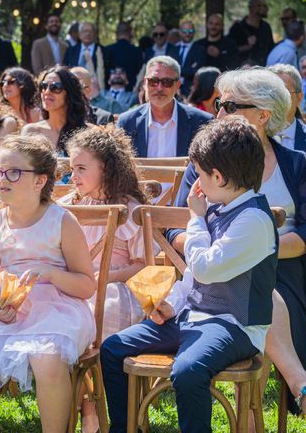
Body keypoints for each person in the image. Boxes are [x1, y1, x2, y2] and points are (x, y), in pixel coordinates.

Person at [103, 117, 277, 433]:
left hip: (234, 325)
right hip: (192, 316)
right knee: (113, 348)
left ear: (219, 177)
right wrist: (173, 302)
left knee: (188, 371)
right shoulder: (219, 205)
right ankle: (125, 428)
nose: (195, 182)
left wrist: (195, 218)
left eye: (198, 174)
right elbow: (192, 279)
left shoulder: (253, 220)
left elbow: (205, 267)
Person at [168, 68, 306, 419]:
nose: (218, 114)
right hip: (211, 271)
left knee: (263, 286)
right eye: (218, 104)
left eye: (229, 105)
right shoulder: (202, 161)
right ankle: (295, 382)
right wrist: (209, 250)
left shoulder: (297, 164)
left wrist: (260, 245)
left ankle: (251, 416)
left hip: (284, 267)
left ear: (263, 115)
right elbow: (174, 227)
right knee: (254, 290)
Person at [0, 134, 95, 432]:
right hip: (9, 308)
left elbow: (86, 285)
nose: (2, 179)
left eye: (13, 172)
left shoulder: (61, 221)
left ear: (39, 180)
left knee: (46, 359)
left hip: (60, 308)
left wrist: (51, 273)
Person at [58, 126, 152, 432]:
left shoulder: (130, 209)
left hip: (118, 288)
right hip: (78, 285)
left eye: (82, 169)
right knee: (64, 311)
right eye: (72, 168)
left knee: (101, 311)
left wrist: (107, 276)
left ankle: (96, 405)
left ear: (107, 168)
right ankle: (88, 406)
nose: (74, 177)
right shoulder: (70, 206)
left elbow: (142, 265)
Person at [116, 56, 212, 157]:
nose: (159, 88)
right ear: (145, 83)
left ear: (177, 86)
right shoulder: (126, 123)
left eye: (167, 82)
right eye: (153, 81)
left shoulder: (201, 123)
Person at [21, 66, 89, 156]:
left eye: (55, 87)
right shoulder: (31, 131)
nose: (47, 92)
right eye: (44, 86)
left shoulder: (86, 132)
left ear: (69, 93)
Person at [269, 64, 306, 151]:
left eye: (284, 93)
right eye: (272, 93)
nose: (277, 98)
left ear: (299, 98)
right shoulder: (253, 139)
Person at [228, 0, 274, 66]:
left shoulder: (266, 27)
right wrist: (247, 46)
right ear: (252, 8)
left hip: (263, 71)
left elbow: (271, 48)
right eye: (263, 6)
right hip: (242, 72)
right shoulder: (237, 28)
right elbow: (230, 50)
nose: (266, 9)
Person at [63, 22, 106, 87]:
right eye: (85, 31)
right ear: (79, 34)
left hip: (96, 88)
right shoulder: (70, 51)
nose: (87, 33)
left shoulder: (103, 51)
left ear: (95, 34)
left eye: (90, 31)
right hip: (74, 88)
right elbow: (65, 69)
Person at [104, 21, 143, 91]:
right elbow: (140, 72)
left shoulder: (107, 50)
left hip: (110, 91)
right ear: (130, 34)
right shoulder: (137, 51)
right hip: (130, 91)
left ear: (116, 34)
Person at [176, 20, 206, 97]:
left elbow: (196, 71)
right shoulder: (173, 49)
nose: (188, 33)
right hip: (173, 89)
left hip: (190, 90)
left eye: (191, 31)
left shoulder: (200, 50)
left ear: (194, 32)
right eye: (184, 31)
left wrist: (176, 70)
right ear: (179, 32)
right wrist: (188, 70)